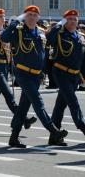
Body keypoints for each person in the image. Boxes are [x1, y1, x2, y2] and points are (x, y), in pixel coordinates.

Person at [1, 5, 68, 148]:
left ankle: (14, 137)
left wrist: (42, 72)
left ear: (38, 17)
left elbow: (43, 55)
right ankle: (53, 130)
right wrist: (15, 21)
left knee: (23, 107)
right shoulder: (18, 31)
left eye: (34, 15)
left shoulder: (41, 33)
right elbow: (3, 37)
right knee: (38, 102)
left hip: (36, 76)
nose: (31, 17)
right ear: (25, 17)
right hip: (23, 73)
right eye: (29, 15)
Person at [0, 8, 36, 132]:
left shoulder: (5, 32)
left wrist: (12, 69)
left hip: (5, 67)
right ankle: (23, 119)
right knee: (9, 96)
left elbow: (11, 51)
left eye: (3, 16)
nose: (2, 18)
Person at [46, 9, 85, 144]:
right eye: (69, 19)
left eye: (75, 19)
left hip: (74, 76)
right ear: (65, 21)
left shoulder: (80, 37)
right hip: (61, 73)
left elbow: (82, 59)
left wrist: (82, 76)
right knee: (73, 103)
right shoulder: (59, 34)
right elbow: (49, 39)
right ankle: (83, 126)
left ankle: (54, 136)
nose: (73, 21)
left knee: (60, 105)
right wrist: (59, 24)